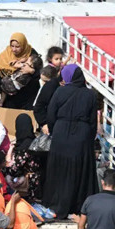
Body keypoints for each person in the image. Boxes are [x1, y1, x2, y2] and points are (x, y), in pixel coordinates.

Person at [42, 64, 99, 219]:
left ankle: (58, 205)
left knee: (60, 169)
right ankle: (79, 206)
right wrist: (89, 138)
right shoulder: (90, 95)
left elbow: (51, 114)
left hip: (61, 133)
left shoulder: (60, 91)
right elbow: (93, 121)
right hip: (82, 135)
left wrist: (54, 130)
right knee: (80, 170)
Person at [0, 33, 40, 110]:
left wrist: (31, 71)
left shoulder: (31, 54)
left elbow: (38, 74)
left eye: (17, 47)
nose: (14, 49)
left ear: (23, 45)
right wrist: (2, 86)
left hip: (26, 98)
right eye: (12, 46)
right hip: (10, 98)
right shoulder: (6, 53)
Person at [2, 114, 42, 202]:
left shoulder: (24, 147)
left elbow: (14, 169)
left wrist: (3, 167)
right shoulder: (34, 141)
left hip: (28, 185)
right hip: (37, 181)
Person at [33, 65, 61, 135]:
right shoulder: (45, 88)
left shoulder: (52, 87)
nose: (43, 83)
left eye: (46, 81)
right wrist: (44, 123)